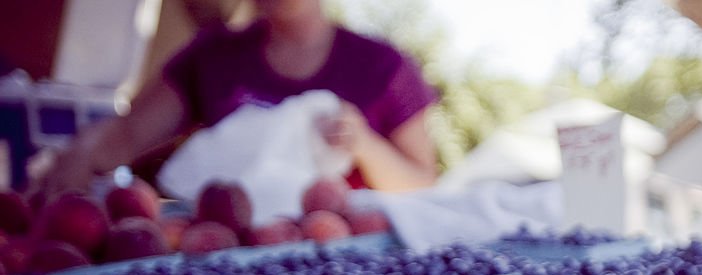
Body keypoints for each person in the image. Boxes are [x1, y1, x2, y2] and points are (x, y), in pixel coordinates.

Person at [39, 0, 438, 197]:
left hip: (347, 268)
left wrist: (364, 146)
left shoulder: (383, 66)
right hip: (229, 263)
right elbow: (124, 137)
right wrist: (78, 156)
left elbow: (422, 186)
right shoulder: (212, 57)